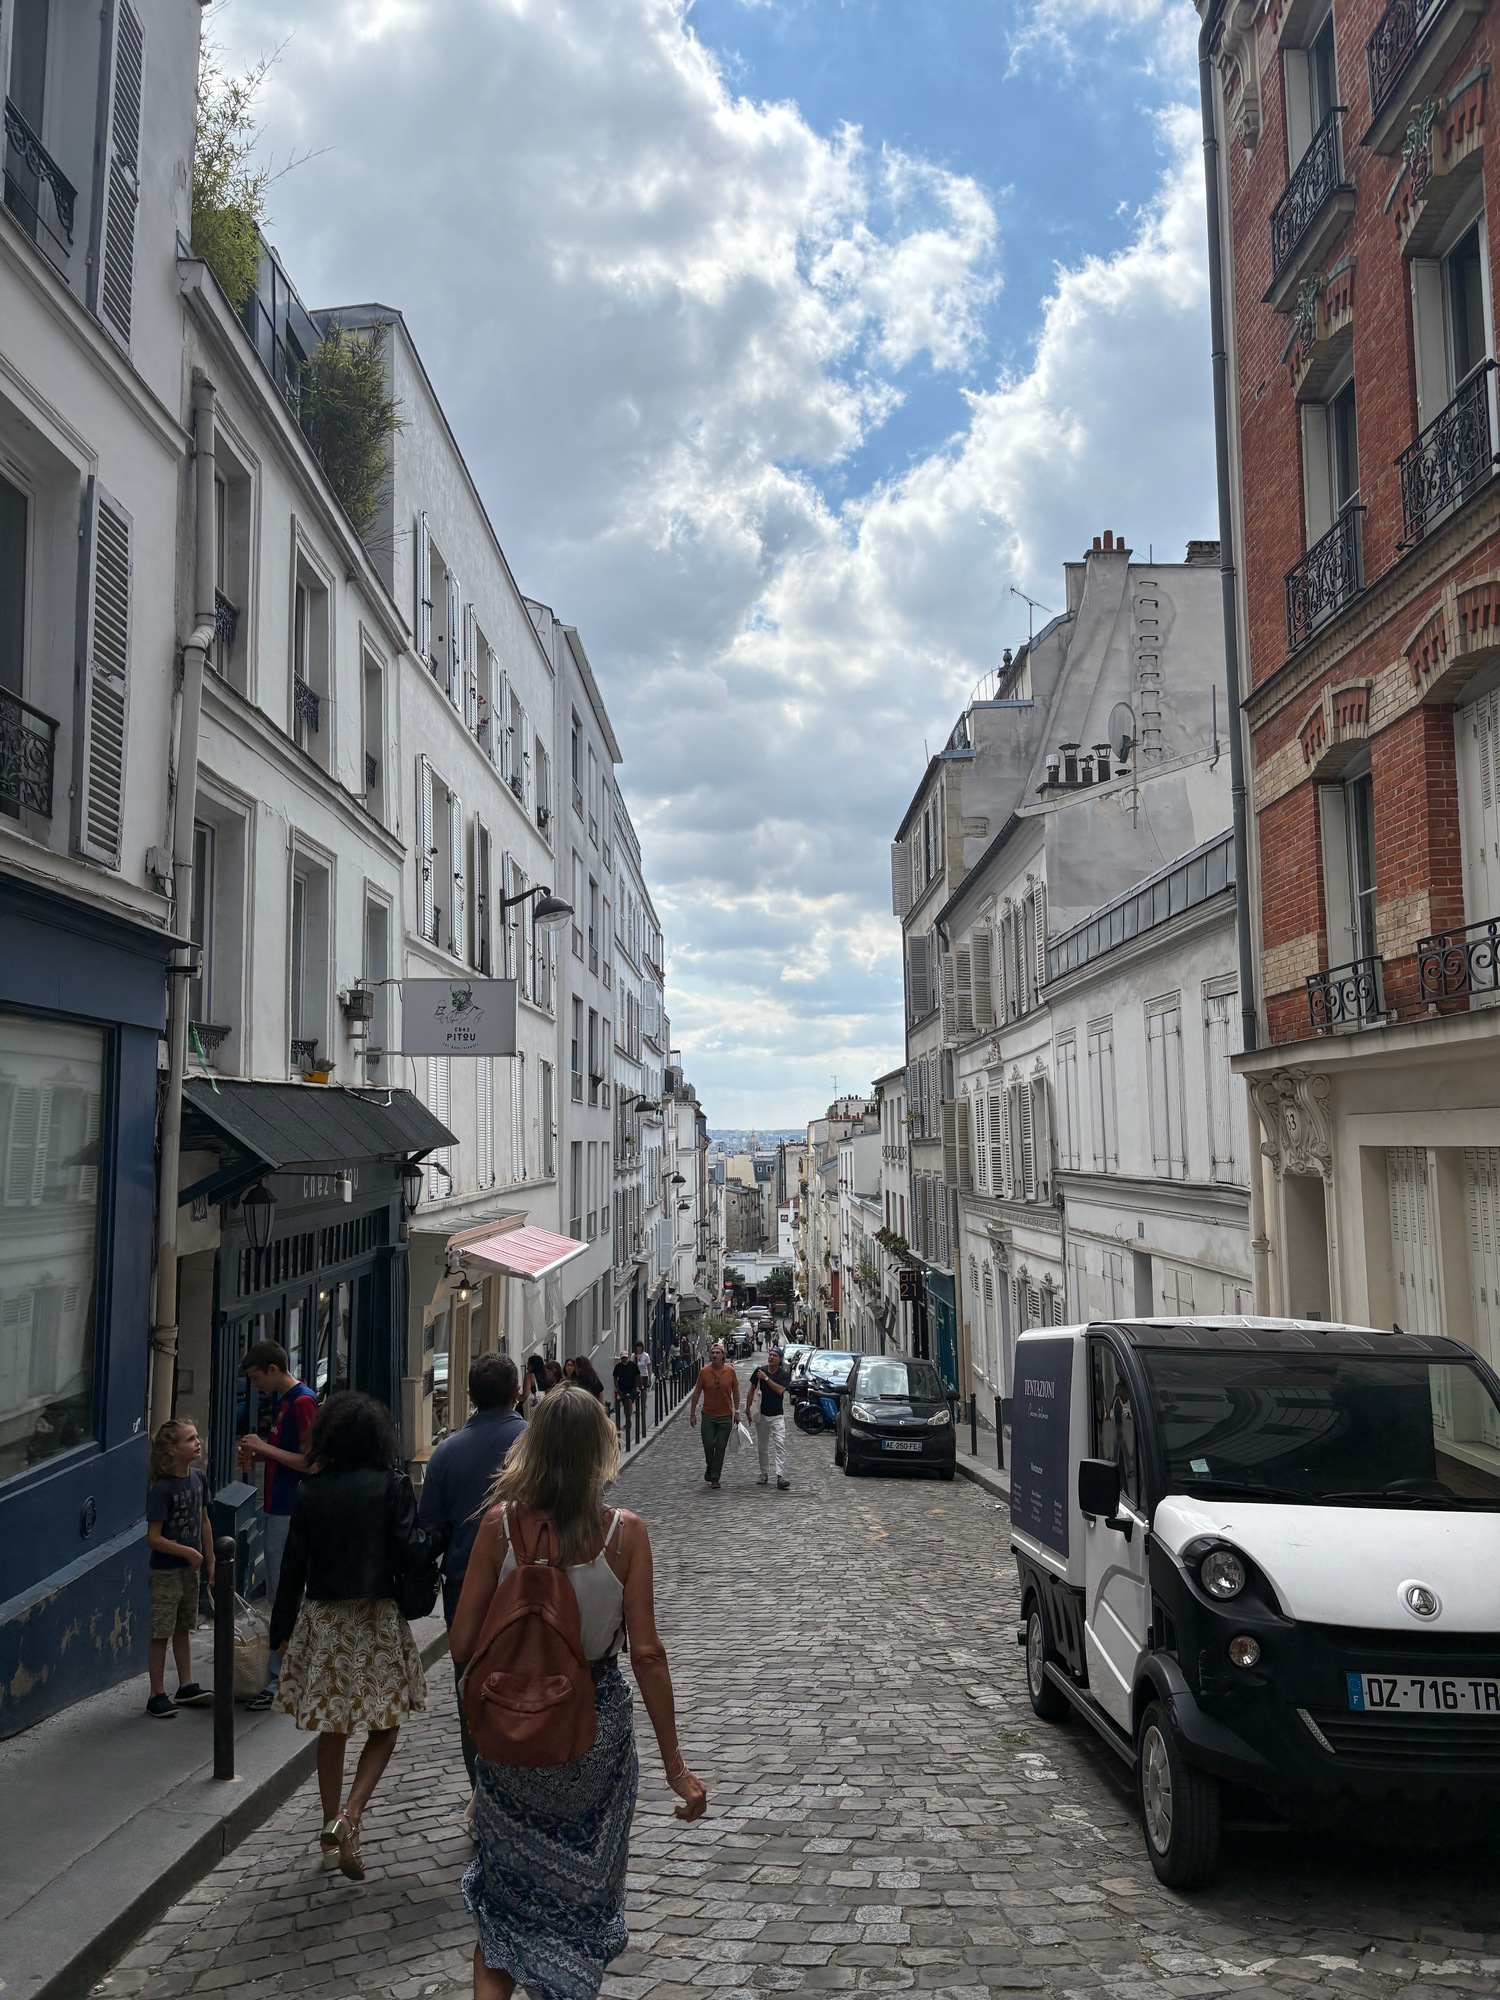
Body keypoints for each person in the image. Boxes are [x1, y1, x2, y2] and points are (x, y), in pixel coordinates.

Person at [450, 1386, 706, 2000]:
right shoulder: (625, 1535)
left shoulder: (498, 1527)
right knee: (581, 1901)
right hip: (593, 1735)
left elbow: (461, 1642)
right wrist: (676, 1767)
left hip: (511, 1741)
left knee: (504, 1900)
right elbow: (645, 1654)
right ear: (601, 1450)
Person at [270, 1391, 430, 1882]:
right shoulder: (391, 1485)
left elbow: (292, 1563)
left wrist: (281, 1629)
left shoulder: (312, 1492)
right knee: (386, 1723)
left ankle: (328, 1823)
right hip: (375, 1615)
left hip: (324, 1618)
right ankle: (351, 1816)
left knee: (332, 1728)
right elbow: (409, 1548)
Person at [418, 1354, 527, 1789]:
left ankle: (482, 1794)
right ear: (517, 1392)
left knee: (473, 1694)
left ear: (470, 1395)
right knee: (526, 1686)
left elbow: (431, 1528)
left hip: (465, 1591)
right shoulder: (533, 1443)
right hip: (529, 1585)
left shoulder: (445, 1453)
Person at [237, 1340, 318, 1711]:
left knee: (283, 1593)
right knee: (280, 1592)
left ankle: (283, 1673)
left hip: (288, 1508)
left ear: (273, 1369)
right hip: (276, 1505)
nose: (255, 1386)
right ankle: (287, 1670)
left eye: (256, 1378)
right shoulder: (287, 1402)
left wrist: (264, 1449)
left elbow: (310, 1461)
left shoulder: (301, 1402)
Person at [144, 1419, 216, 1716]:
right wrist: (187, 1551)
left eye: (197, 1437)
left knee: (184, 1626)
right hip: (166, 1571)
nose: (197, 1442)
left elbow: (204, 1521)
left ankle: (186, 1684)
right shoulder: (162, 1489)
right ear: (172, 1450)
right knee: (162, 1630)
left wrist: (210, 1559)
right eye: (189, 1439)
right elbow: (153, 1538)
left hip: (191, 1568)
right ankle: (156, 1692)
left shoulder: (198, 1478)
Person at [689, 1341, 739, 1489]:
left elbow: (735, 1391)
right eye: (713, 1353)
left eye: (718, 1353)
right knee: (709, 1445)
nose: (715, 1355)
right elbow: (697, 1392)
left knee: (721, 1446)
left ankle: (715, 1477)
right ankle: (710, 1468)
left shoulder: (730, 1372)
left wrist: (737, 1411)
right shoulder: (704, 1372)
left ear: (723, 1355)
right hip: (708, 1415)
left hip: (725, 1416)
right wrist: (692, 1413)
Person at [745, 1343, 793, 1491]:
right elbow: (752, 1389)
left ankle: (780, 1475)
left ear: (780, 1360)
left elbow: (780, 1391)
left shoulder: (783, 1375)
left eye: (775, 1355)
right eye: (770, 1354)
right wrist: (748, 1409)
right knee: (762, 1446)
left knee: (780, 1443)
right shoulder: (759, 1370)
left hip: (777, 1415)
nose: (771, 1357)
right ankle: (764, 1473)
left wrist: (766, 1379)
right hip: (762, 1414)